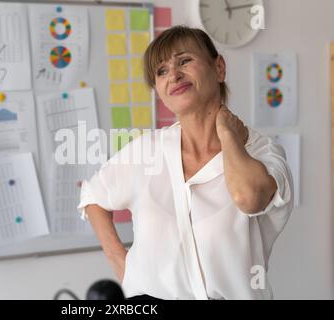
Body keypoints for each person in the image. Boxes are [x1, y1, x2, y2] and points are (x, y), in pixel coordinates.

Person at [77, 25, 293, 300]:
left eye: (184, 61)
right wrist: (120, 259)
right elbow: (93, 194)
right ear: (158, 89)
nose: (174, 75)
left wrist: (227, 134)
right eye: (162, 71)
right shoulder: (146, 153)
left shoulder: (263, 152)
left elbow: (248, 197)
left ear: (219, 68)